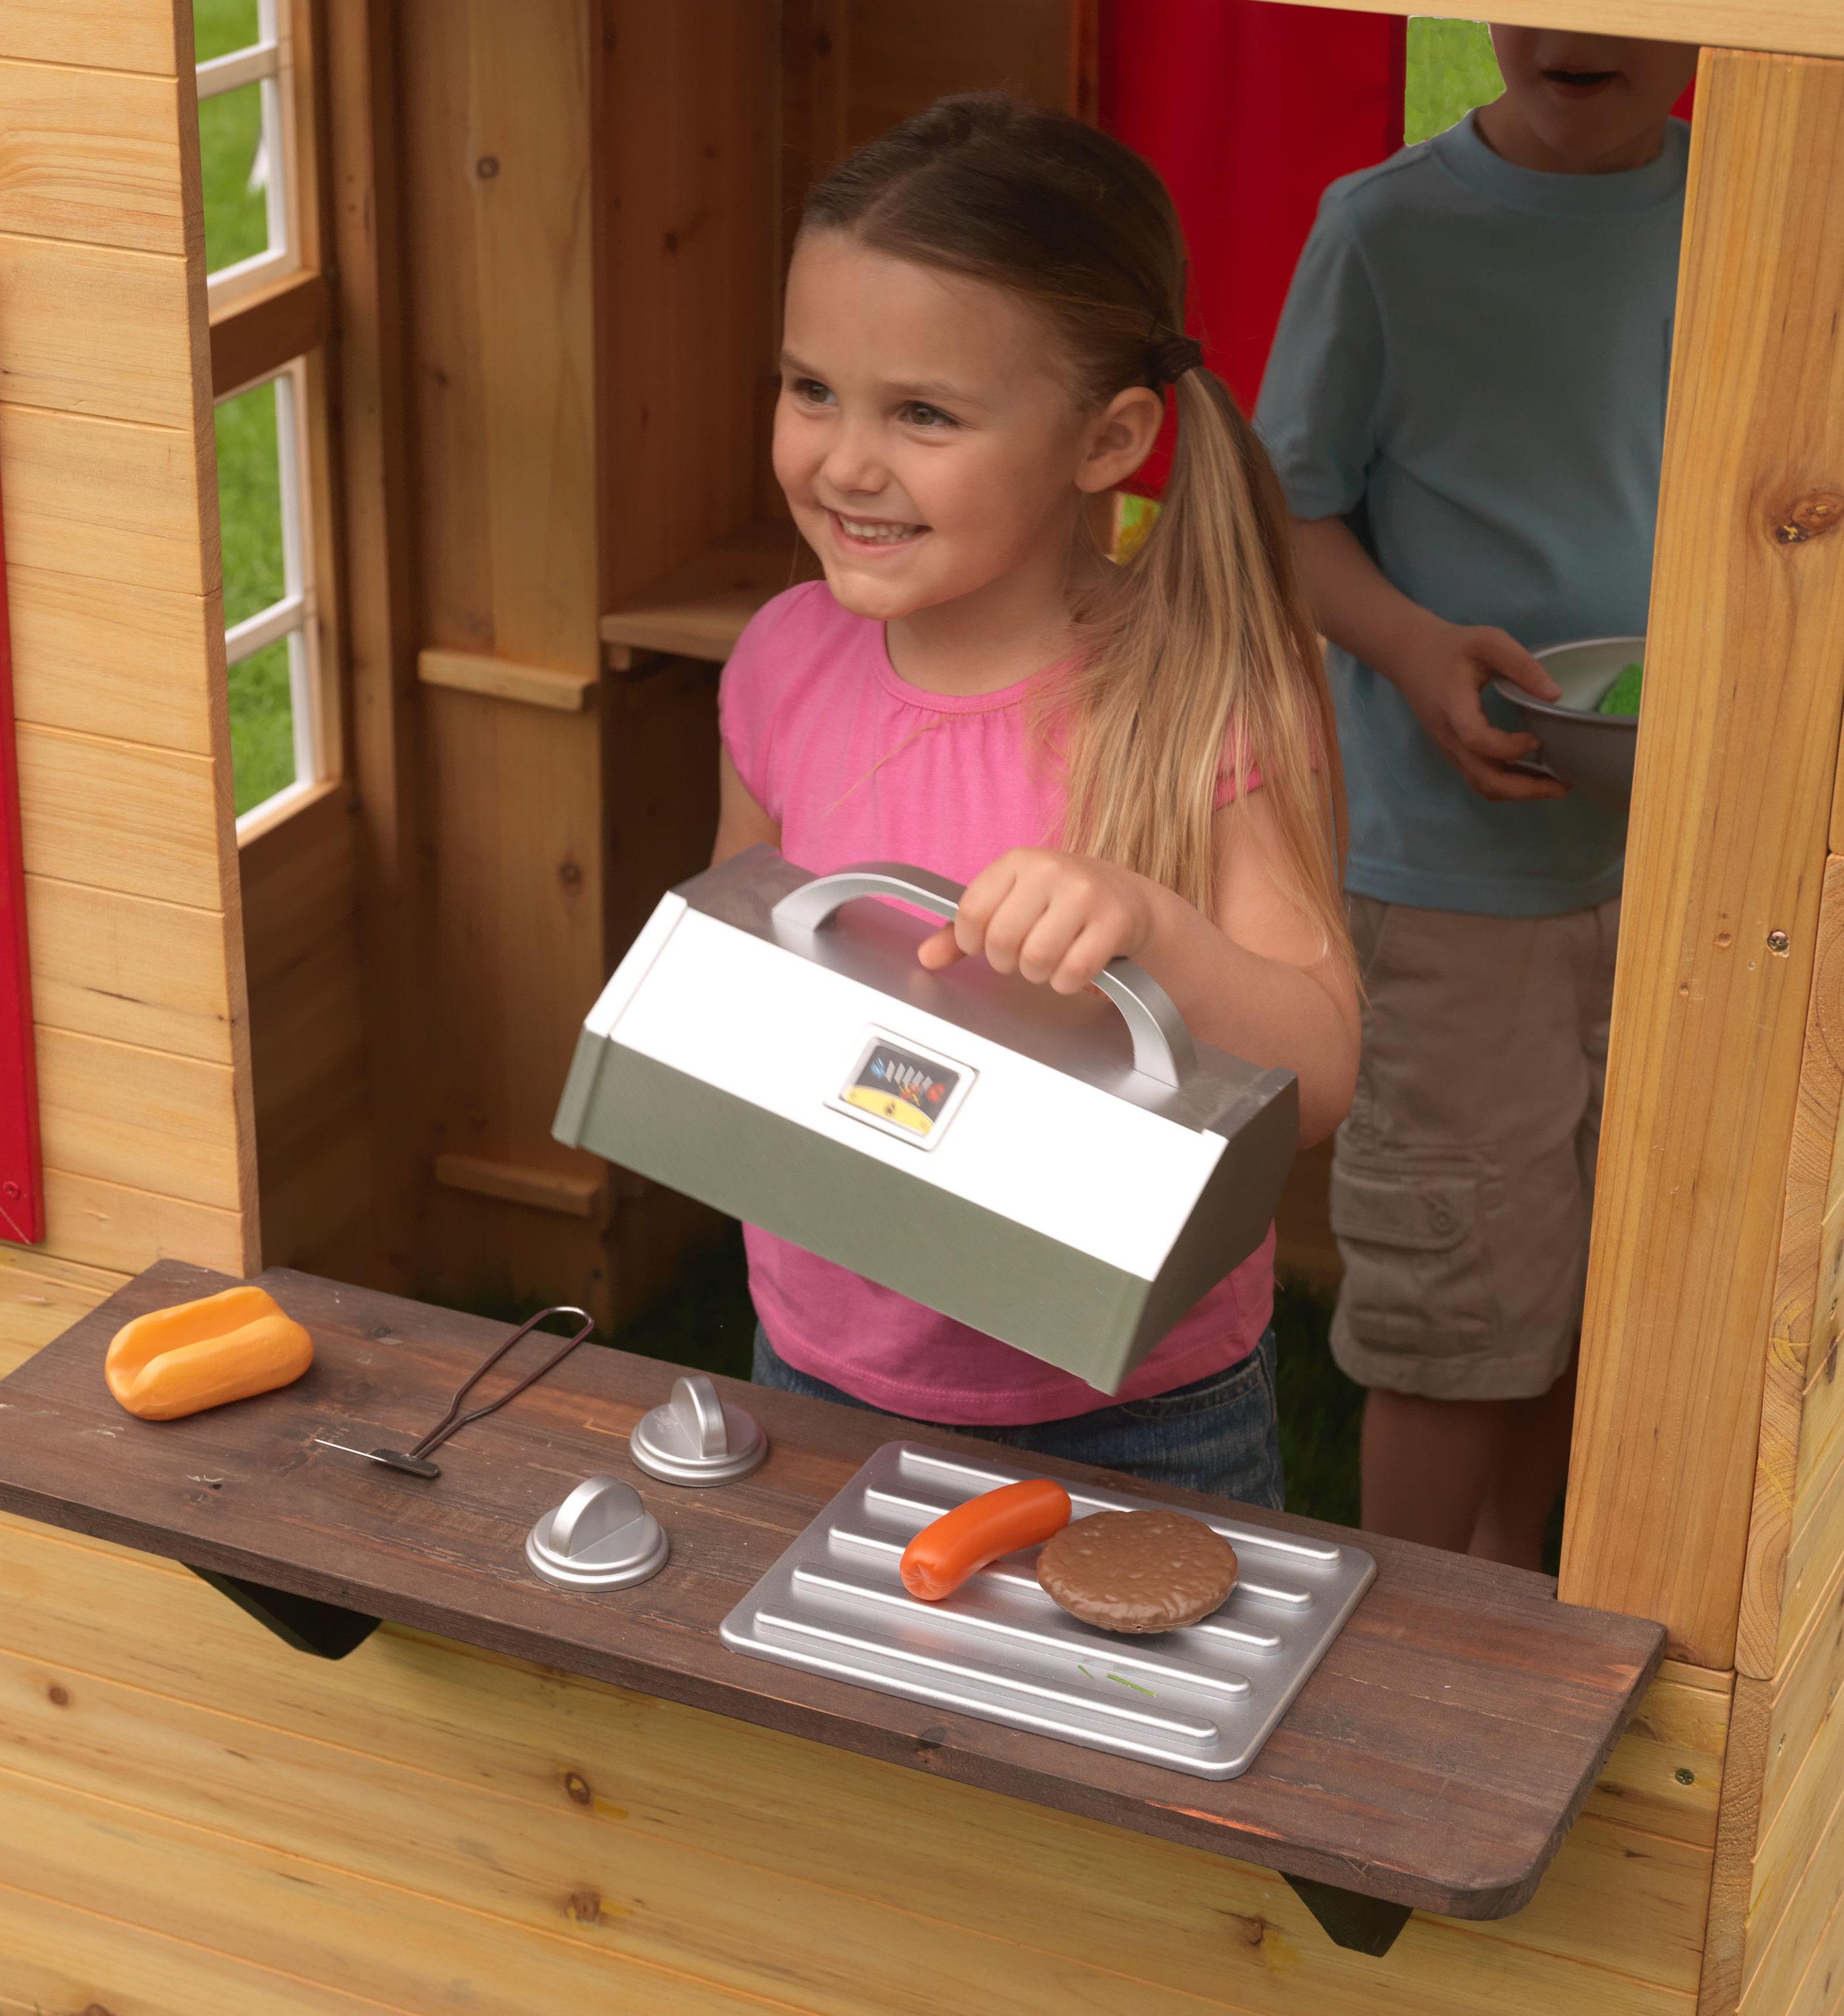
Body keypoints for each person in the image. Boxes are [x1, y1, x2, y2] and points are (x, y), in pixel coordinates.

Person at [712, 95, 1360, 1505]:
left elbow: (1320, 1072)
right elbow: (749, 965)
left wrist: (1154, 928)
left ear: (1108, 438)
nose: (845, 461)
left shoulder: (1212, 699)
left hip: (1133, 1417)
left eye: (924, 414)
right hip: (817, 1360)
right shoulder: (780, 661)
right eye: (810, 387)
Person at [1254, 29, 1698, 1563]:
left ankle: (1527, 1622)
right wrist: (1416, 646)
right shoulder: (1386, 229)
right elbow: (1285, 521)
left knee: (1600, 1290)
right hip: (1458, 882)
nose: (1587, 33)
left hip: (1693, 866)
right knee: (1460, 1313)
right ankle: (1410, 1660)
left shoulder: (1751, 217)